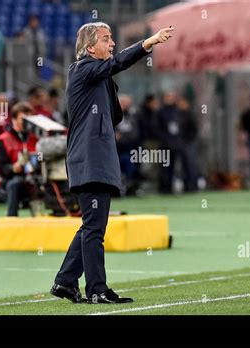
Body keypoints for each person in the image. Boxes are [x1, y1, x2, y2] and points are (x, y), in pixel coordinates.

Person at [51, 22, 174, 304]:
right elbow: (118, 63)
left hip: (96, 157)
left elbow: (114, 113)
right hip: (90, 158)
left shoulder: (99, 75)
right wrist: (148, 43)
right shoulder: (82, 68)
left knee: (91, 225)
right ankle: (97, 289)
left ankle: (65, 282)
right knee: (94, 228)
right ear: (89, 46)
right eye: (106, 38)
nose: (112, 43)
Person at [0, 102, 38, 216]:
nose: (27, 122)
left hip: (37, 178)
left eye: (29, 119)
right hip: (16, 179)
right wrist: (14, 168)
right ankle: (11, 219)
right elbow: (3, 168)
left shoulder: (36, 137)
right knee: (14, 184)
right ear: (14, 119)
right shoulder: (4, 139)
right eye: (23, 119)